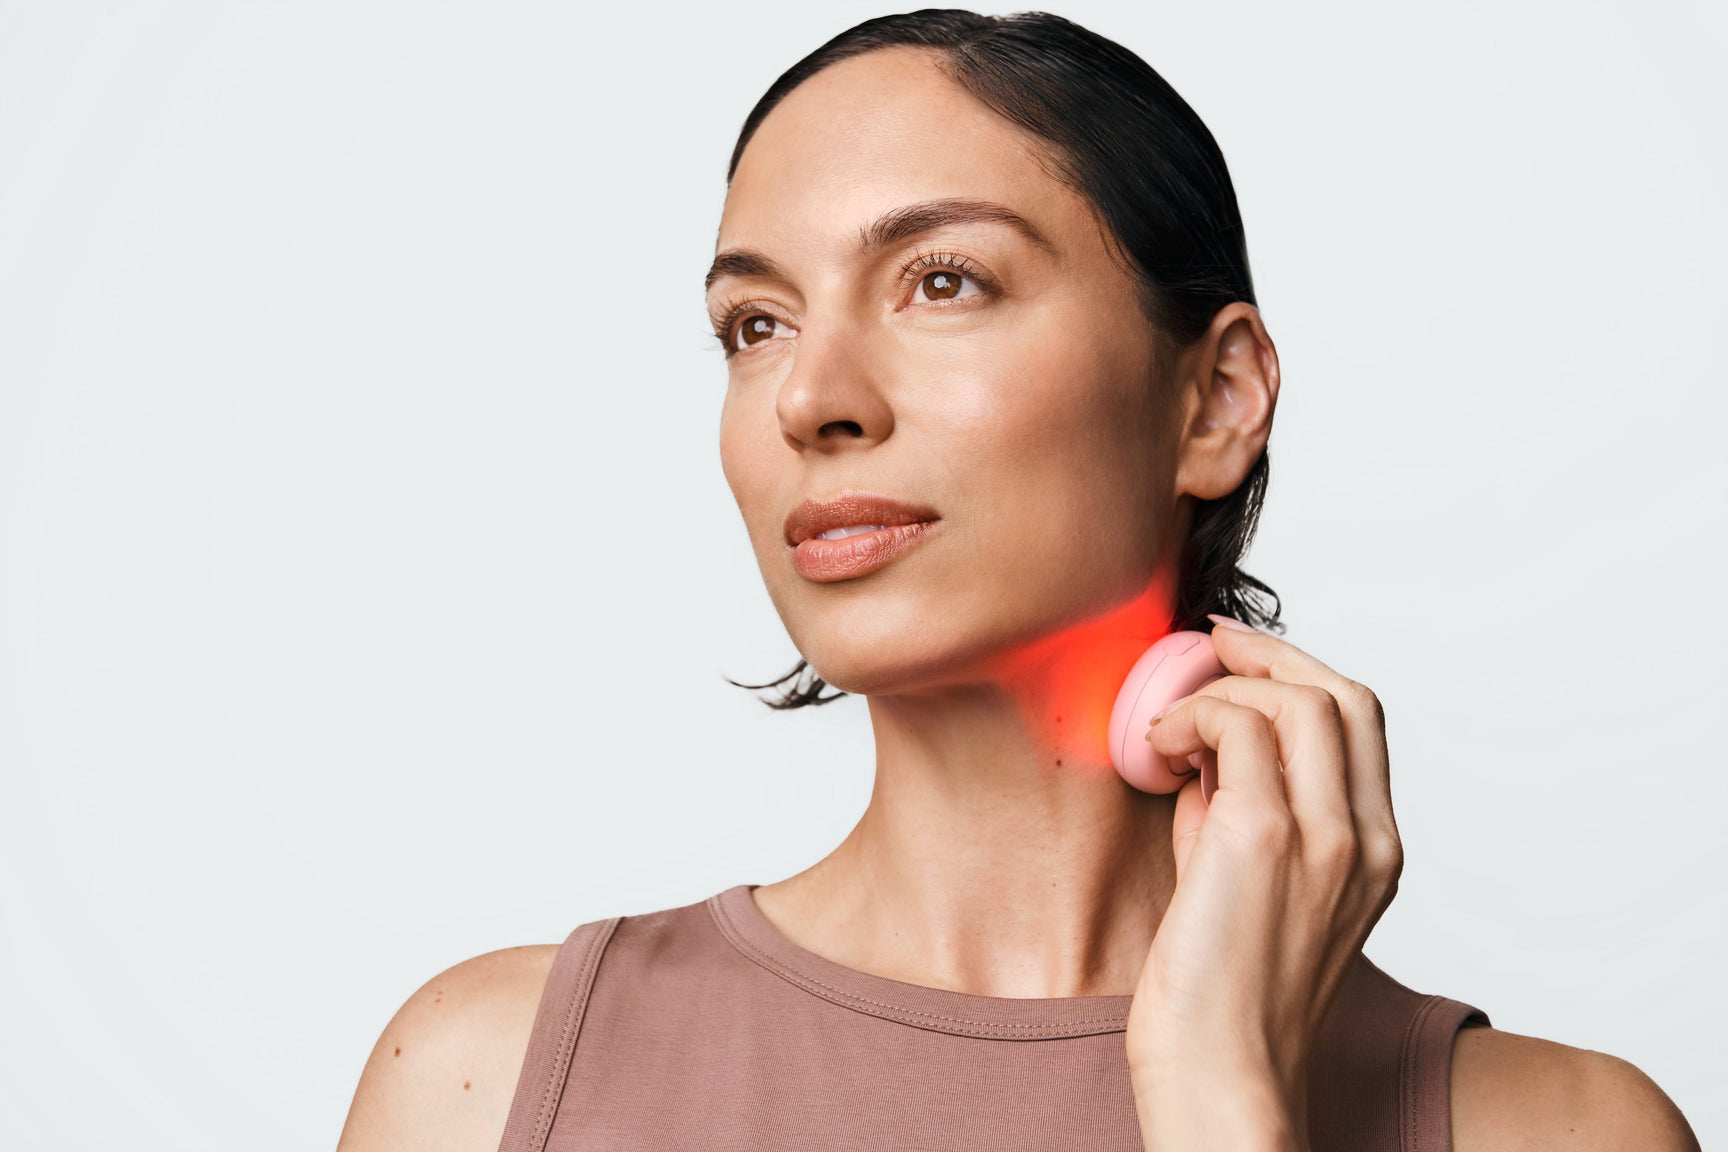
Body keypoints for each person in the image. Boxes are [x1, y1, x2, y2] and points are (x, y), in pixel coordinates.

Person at [335, 10, 1700, 1150]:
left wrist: (1223, 1096)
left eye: (943, 282)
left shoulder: (1555, 1131)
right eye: (755, 324)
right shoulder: (491, 1082)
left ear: (1215, 397)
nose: (811, 398)